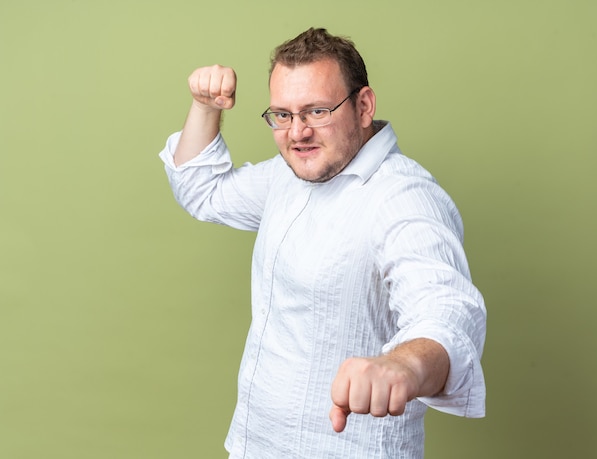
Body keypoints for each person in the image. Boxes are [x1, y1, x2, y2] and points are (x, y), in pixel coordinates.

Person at [159, 27, 486, 458]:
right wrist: (205, 107)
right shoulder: (288, 175)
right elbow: (202, 190)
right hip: (255, 444)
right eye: (282, 114)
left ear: (364, 106)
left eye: (316, 111)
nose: (297, 133)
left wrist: (403, 365)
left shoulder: (403, 197)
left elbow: (446, 310)